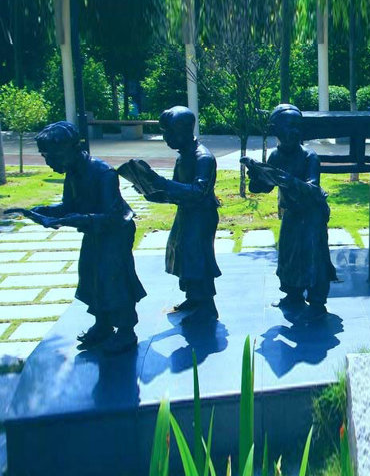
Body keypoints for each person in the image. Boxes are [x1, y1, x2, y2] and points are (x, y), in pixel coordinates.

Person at [6, 122, 145, 353]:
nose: (49, 162)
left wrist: (73, 219)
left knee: (113, 278)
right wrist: (42, 211)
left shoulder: (104, 173)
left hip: (116, 232)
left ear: (71, 149)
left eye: (52, 156)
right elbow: (68, 206)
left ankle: (126, 331)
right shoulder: (73, 172)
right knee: (91, 275)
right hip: (94, 230)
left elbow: (112, 217)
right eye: (44, 156)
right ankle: (102, 324)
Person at [243, 104, 336, 322]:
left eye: (298, 126)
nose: (295, 131)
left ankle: (317, 301)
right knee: (289, 254)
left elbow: (313, 187)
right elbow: (266, 186)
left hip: (312, 214)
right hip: (292, 212)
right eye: (289, 126)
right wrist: (256, 177)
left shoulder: (309, 156)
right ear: (275, 129)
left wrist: (289, 180)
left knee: (314, 256)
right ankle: (293, 293)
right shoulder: (276, 156)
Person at [136, 106, 221, 319]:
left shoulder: (203, 157)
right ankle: (193, 297)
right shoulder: (183, 156)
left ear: (183, 130)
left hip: (201, 216)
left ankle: (206, 305)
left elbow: (199, 191)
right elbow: (176, 189)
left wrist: (162, 183)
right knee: (183, 255)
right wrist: (151, 192)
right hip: (187, 213)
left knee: (198, 257)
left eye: (169, 132)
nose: (166, 137)